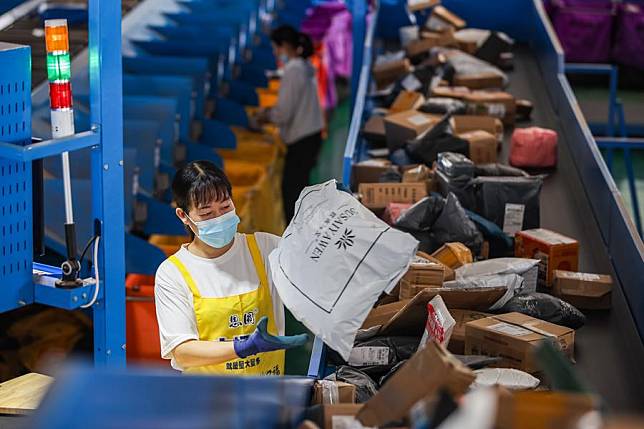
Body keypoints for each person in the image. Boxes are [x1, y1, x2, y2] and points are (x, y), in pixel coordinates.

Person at [154, 160, 308, 375]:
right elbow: (181, 351)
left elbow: (317, 265)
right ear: (183, 216)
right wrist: (243, 347)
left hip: (267, 392)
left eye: (225, 207)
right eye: (206, 213)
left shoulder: (264, 248)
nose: (219, 218)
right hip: (209, 402)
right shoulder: (173, 273)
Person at [258, 25, 324, 223]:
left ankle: (295, 236)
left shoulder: (293, 71)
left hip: (302, 140)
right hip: (312, 134)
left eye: (276, 48)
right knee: (299, 187)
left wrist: (265, 115)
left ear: (285, 46)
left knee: (291, 192)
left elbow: (284, 113)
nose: (275, 53)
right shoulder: (304, 66)